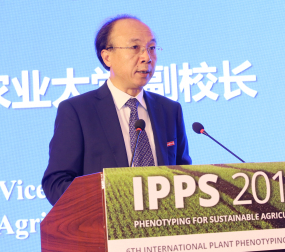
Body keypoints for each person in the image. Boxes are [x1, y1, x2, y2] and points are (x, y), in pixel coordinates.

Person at [42, 15, 192, 205]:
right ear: (107, 57)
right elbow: (56, 184)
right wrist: (111, 201)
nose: (147, 58)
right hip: (105, 222)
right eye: (135, 47)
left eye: (152, 48)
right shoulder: (78, 112)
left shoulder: (169, 110)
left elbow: (183, 177)